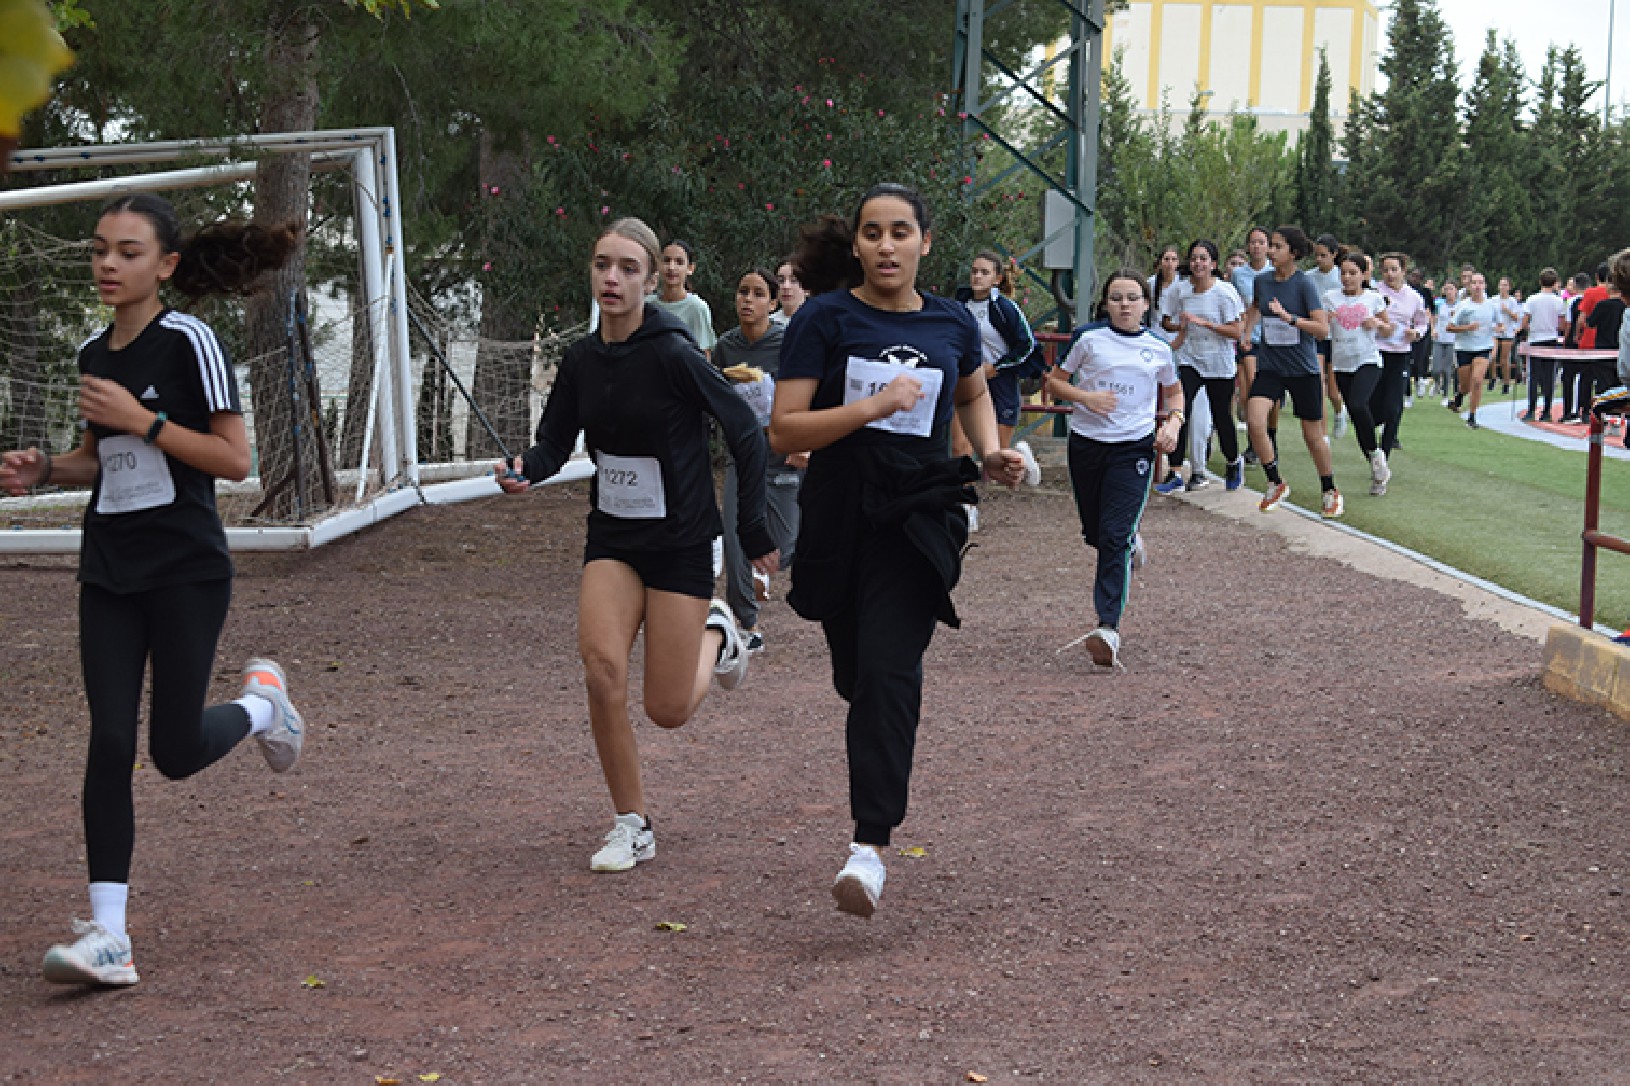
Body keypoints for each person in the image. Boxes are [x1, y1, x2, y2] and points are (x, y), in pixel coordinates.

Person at [0, 194, 306, 988]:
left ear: (165, 265)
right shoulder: (92, 353)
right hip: (108, 571)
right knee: (108, 741)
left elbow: (235, 461)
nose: (107, 264)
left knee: (171, 753)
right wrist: (45, 472)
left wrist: (143, 421)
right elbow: (97, 462)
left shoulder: (190, 342)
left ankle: (266, 707)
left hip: (184, 572)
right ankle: (110, 937)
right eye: (99, 250)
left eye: (128, 252)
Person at [768, 183, 1025, 918]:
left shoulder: (950, 322)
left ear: (925, 242)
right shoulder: (825, 318)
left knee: (889, 672)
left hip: (921, 512)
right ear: (856, 244)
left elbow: (973, 393)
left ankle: (868, 847)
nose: (887, 245)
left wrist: (990, 451)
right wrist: (874, 408)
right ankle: (875, 718)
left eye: (901, 232)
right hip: (840, 512)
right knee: (858, 677)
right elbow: (785, 431)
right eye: (873, 233)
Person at [496, 217, 776, 874]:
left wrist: (755, 531)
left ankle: (719, 634)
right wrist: (525, 470)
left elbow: (745, 432)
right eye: (602, 265)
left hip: (679, 542)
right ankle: (632, 823)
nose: (612, 278)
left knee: (669, 709)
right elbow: (553, 443)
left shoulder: (675, 354)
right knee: (601, 669)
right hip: (614, 538)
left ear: (652, 280)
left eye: (627, 268)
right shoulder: (582, 360)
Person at [1046, 270, 1183, 667]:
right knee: (1096, 533)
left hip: (1134, 448)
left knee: (1113, 537)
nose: (1125, 305)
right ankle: (1128, 543)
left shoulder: (1158, 348)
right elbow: (1055, 383)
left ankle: (1108, 627)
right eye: (1117, 298)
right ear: (1106, 303)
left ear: (1145, 304)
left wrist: (1172, 424)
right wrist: (1085, 398)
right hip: (1087, 446)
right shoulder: (1088, 339)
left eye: (1133, 298)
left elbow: (1174, 391)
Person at [715, 267, 803, 652]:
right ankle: (747, 625)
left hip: (783, 454)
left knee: (783, 544)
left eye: (756, 293)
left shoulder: (788, 344)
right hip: (743, 457)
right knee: (734, 538)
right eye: (742, 291)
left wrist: (805, 443)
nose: (747, 300)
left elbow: (809, 394)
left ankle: (769, 569)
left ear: (771, 303)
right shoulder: (726, 347)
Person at [1242, 225, 1342, 517]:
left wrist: (1290, 319)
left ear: (1293, 253)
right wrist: (1247, 332)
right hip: (1271, 366)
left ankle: (1329, 489)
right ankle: (1275, 482)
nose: (1270, 251)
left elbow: (1322, 329)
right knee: (1255, 420)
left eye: (1276, 246)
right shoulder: (1262, 282)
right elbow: (1256, 308)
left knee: (1312, 437)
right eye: (1270, 245)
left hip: (1303, 369)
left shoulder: (1304, 285)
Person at [952, 250, 1042, 484]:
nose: (977, 277)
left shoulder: (1005, 308)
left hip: (1000, 380)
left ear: (997, 278)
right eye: (974, 271)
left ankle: (1021, 455)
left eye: (984, 272)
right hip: (967, 379)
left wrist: (997, 367)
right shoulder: (959, 305)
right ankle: (964, 504)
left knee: (997, 455)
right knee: (961, 446)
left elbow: (1027, 344)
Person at [1161, 239, 1244, 491]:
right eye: (1195, 258)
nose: (1198, 263)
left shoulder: (1224, 292)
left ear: (1213, 264)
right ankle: (1175, 471)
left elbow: (1237, 331)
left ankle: (1232, 461)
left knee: (1221, 415)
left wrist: (1206, 323)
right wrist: (1181, 327)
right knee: (1180, 411)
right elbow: (1167, 320)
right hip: (1189, 359)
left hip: (1218, 362)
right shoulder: (1181, 290)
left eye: (1203, 258)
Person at [1322, 250, 1394, 495]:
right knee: (1356, 413)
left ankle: (1376, 459)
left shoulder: (1374, 299)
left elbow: (1389, 329)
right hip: (1342, 363)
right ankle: (1376, 462)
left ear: (1364, 275)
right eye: (1343, 273)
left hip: (1368, 361)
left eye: (1353, 273)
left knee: (1358, 403)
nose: (1347, 278)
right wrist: (1326, 320)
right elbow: (1321, 328)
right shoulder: (1329, 298)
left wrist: (1378, 324)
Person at [1372, 252, 1430, 454]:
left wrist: (1416, 333)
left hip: (1400, 354)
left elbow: (1423, 323)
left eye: (1394, 269)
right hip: (1375, 353)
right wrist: (1377, 324)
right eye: (1386, 270)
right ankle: (1371, 431)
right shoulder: (1374, 292)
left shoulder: (1414, 297)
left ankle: (1384, 452)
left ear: (1403, 271)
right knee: (1372, 405)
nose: (1390, 274)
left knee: (1394, 406)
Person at [1231, 227, 1271, 461]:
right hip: (1248, 338)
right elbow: (1236, 306)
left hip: (1272, 339)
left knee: (1264, 394)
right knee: (1247, 390)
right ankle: (1254, 444)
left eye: (1261, 242)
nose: (1256, 246)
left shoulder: (1274, 272)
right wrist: (1243, 331)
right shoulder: (1239, 275)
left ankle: (1266, 438)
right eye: (1253, 242)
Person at [1446, 271, 1498, 429]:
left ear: (1485, 285)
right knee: (1465, 386)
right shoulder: (1463, 306)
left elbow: (1498, 325)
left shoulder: (1491, 306)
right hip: (1464, 348)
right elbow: (1449, 327)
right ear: (1469, 287)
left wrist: (1497, 335)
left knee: (1477, 381)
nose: (1477, 286)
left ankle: (1472, 416)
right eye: (1474, 283)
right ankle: (1459, 396)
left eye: (1480, 283)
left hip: (1483, 348)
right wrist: (1467, 327)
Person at [648, 239, 717, 357]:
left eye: (679, 262)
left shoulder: (697, 308)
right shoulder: (647, 304)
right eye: (666, 260)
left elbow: (704, 356)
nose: (671, 267)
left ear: (690, 268)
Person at [1308, 234, 1347, 439]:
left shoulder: (1343, 276)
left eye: (1323, 255)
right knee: (1318, 384)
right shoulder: (1308, 277)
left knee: (1333, 391)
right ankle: (1322, 434)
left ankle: (1340, 412)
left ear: (1334, 255)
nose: (1319, 259)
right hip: (1316, 335)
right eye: (1317, 255)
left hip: (1337, 336)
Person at [1521, 268, 1569, 422]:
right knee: (1549, 376)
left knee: (1533, 376)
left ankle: (1531, 410)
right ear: (1555, 283)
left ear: (1540, 282)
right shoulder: (1559, 301)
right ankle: (1546, 411)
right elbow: (1562, 325)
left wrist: (1531, 328)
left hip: (1535, 339)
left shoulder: (1532, 299)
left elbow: (1524, 322)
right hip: (1550, 339)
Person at [1491, 276, 1523, 395]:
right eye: (1501, 284)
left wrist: (1507, 311)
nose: (1502, 287)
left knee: (1504, 359)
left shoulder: (1512, 301)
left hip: (1508, 332)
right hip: (1495, 331)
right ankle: (1493, 378)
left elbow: (1516, 317)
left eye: (1505, 285)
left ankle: (1506, 383)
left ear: (1509, 287)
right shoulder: (1493, 299)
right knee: (1492, 356)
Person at [1432, 282, 1459, 400]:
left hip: (1452, 339)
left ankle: (1445, 395)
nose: (1449, 292)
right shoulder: (1439, 303)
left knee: (1447, 368)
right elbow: (1432, 317)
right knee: (1435, 368)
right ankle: (1437, 382)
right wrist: (1433, 329)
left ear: (1456, 291)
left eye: (1451, 289)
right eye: (1446, 289)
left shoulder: (1460, 305)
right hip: (1439, 338)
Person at [771, 257, 807, 327]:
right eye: (781, 280)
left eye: (794, 280)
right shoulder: (767, 324)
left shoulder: (818, 321)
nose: (786, 286)